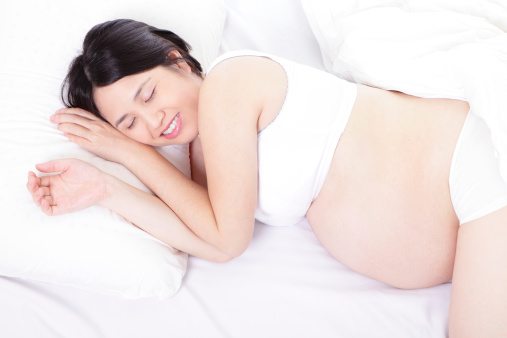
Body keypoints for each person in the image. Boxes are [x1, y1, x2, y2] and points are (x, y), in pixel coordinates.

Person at [26, 19, 507, 336]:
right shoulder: (203, 157)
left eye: (148, 94)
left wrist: (125, 149)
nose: (153, 124)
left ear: (175, 59)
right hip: (465, 216)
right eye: (130, 123)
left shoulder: (231, 83)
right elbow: (213, 244)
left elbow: (226, 237)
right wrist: (105, 188)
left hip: (473, 172)